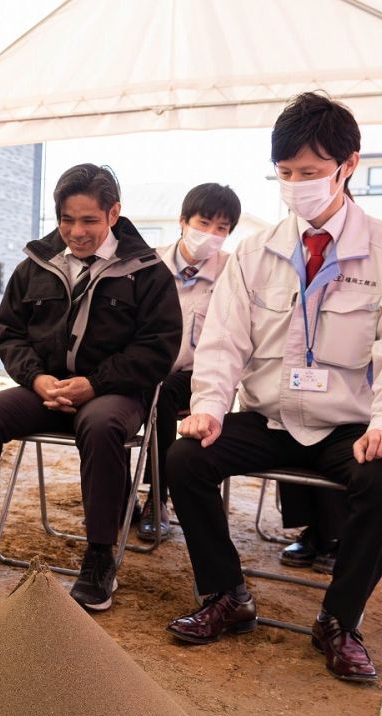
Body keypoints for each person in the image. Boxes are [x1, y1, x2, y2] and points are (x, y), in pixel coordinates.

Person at [164, 92, 382, 682]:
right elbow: (224, 342)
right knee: (185, 458)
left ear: (349, 165)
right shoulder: (254, 253)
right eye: (285, 174)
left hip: (347, 426)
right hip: (268, 418)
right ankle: (226, 595)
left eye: (310, 173)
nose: (296, 185)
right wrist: (209, 407)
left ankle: (339, 620)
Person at [0, 163, 182, 612]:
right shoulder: (35, 266)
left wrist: (95, 383)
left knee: (101, 427)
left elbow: (159, 348)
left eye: (89, 221)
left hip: (115, 395)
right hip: (47, 388)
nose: (76, 232)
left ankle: (100, 557)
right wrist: (36, 377)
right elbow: (9, 332)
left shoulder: (148, 271)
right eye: (66, 220)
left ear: (114, 213)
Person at [139, 183, 241, 541]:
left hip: (196, 378)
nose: (211, 235)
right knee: (112, 405)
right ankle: (120, 500)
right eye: (204, 223)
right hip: (145, 369)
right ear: (182, 221)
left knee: (164, 394)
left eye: (222, 229)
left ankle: (158, 495)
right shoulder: (148, 264)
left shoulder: (234, 271)